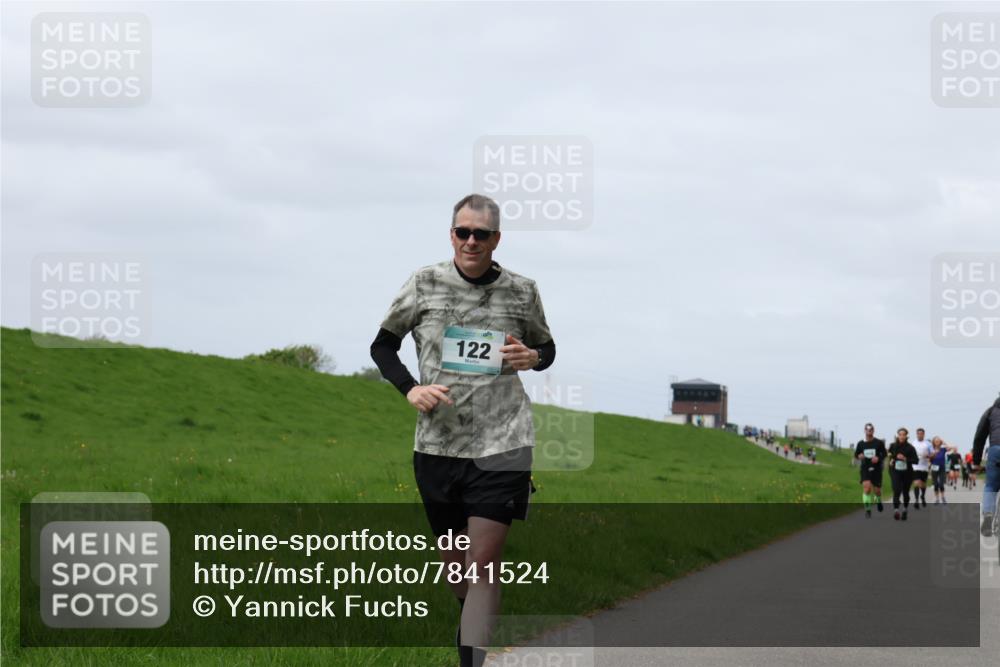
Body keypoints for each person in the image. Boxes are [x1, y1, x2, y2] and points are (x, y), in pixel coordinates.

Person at [370, 194, 556, 667]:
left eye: (482, 234)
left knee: (483, 566)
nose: (471, 241)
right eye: (462, 232)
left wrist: (532, 358)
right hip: (438, 445)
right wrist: (411, 389)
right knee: (458, 573)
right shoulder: (424, 283)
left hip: (504, 443)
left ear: (497, 239)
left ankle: (471, 659)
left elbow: (547, 347)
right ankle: (472, 618)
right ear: (451, 234)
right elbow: (383, 346)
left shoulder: (522, 290)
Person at [972, 396, 1000, 537]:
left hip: (996, 450)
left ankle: (988, 515)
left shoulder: (990, 412)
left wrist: (976, 462)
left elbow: (979, 437)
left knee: (991, 485)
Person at [855, 423, 887, 517]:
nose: (869, 431)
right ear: (864, 430)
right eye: (867, 429)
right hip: (865, 468)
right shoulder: (860, 443)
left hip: (876, 469)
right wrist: (859, 456)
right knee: (867, 488)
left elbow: (884, 454)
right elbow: (856, 454)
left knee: (877, 490)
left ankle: (878, 501)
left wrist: (878, 458)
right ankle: (868, 509)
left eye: (871, 429)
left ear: (873, 430)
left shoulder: (878, 442)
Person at [887, 428, 919, 521]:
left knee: (905, 492)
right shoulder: (893, 446)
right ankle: (896, 510)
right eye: (900, 434)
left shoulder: (910, 447)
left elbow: (916, 461)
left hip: (907, 473)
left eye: (903, 434)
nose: (901, 436)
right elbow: (889, 454)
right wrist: (891, 460)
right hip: (895, 471)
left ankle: (905, 509)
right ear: (897, 435)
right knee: (896, 490)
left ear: (906, 436)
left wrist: (905, 459)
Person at [911, 427, 932, 509]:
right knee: (916, 483)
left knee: (923, 484)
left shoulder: (928, 444)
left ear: (923, 434)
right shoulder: (913, 443)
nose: (920, 435)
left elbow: (932, 454)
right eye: (918, 434)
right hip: (915, 466)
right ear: (916, 434)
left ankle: (922, 496)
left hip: (924, 466)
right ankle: (916, 500)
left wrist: (928, 456)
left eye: (921, 434)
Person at [928, 436, 948, 505]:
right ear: (933, 442)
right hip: (934, 468)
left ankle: (943, 497)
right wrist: (934, 453)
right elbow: (929, 457)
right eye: (936, 441)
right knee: (936, 484)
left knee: (941, 484)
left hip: (942, 468)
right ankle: (937, 499)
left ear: (940, 442)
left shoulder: (943, 449)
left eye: (938, 441)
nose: (937, 442)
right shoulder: (931, 449)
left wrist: (944, 442)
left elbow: (950, 448)